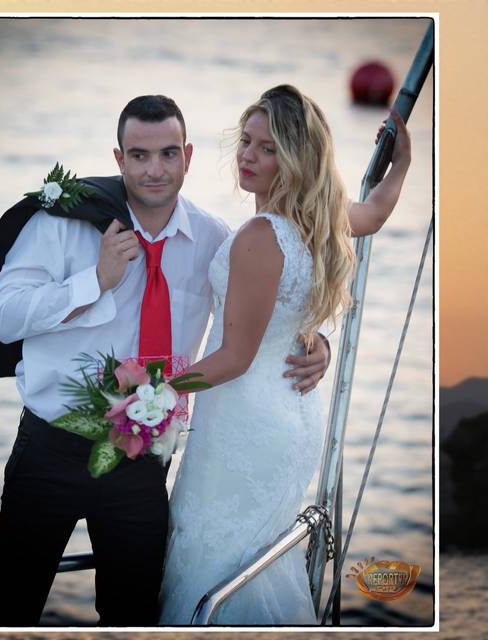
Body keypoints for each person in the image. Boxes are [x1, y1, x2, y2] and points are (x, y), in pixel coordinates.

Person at [0, 95, 332, 626]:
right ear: (118, 159)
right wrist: (93, 281)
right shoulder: (61, 224)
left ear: (187, 156)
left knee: (133, 616)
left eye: (168, 154)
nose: (155, 170)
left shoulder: (214, 238)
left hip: (143, 464)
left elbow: (273, 289)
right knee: (9, 608)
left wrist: (313, 337)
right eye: (139, 156)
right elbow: (4, 317)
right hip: (50, 451)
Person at [157, 85, 411, 625]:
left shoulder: (259, 235)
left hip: (243, 424)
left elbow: (233, 358)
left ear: (295, 160)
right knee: (257, 559)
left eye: (267, 148)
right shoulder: (322, 218)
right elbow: (377, 212)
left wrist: (152, 386)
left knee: (214, 552)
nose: (248, 156)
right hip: (291, 417)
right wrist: (403, 164)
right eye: (246, 141)